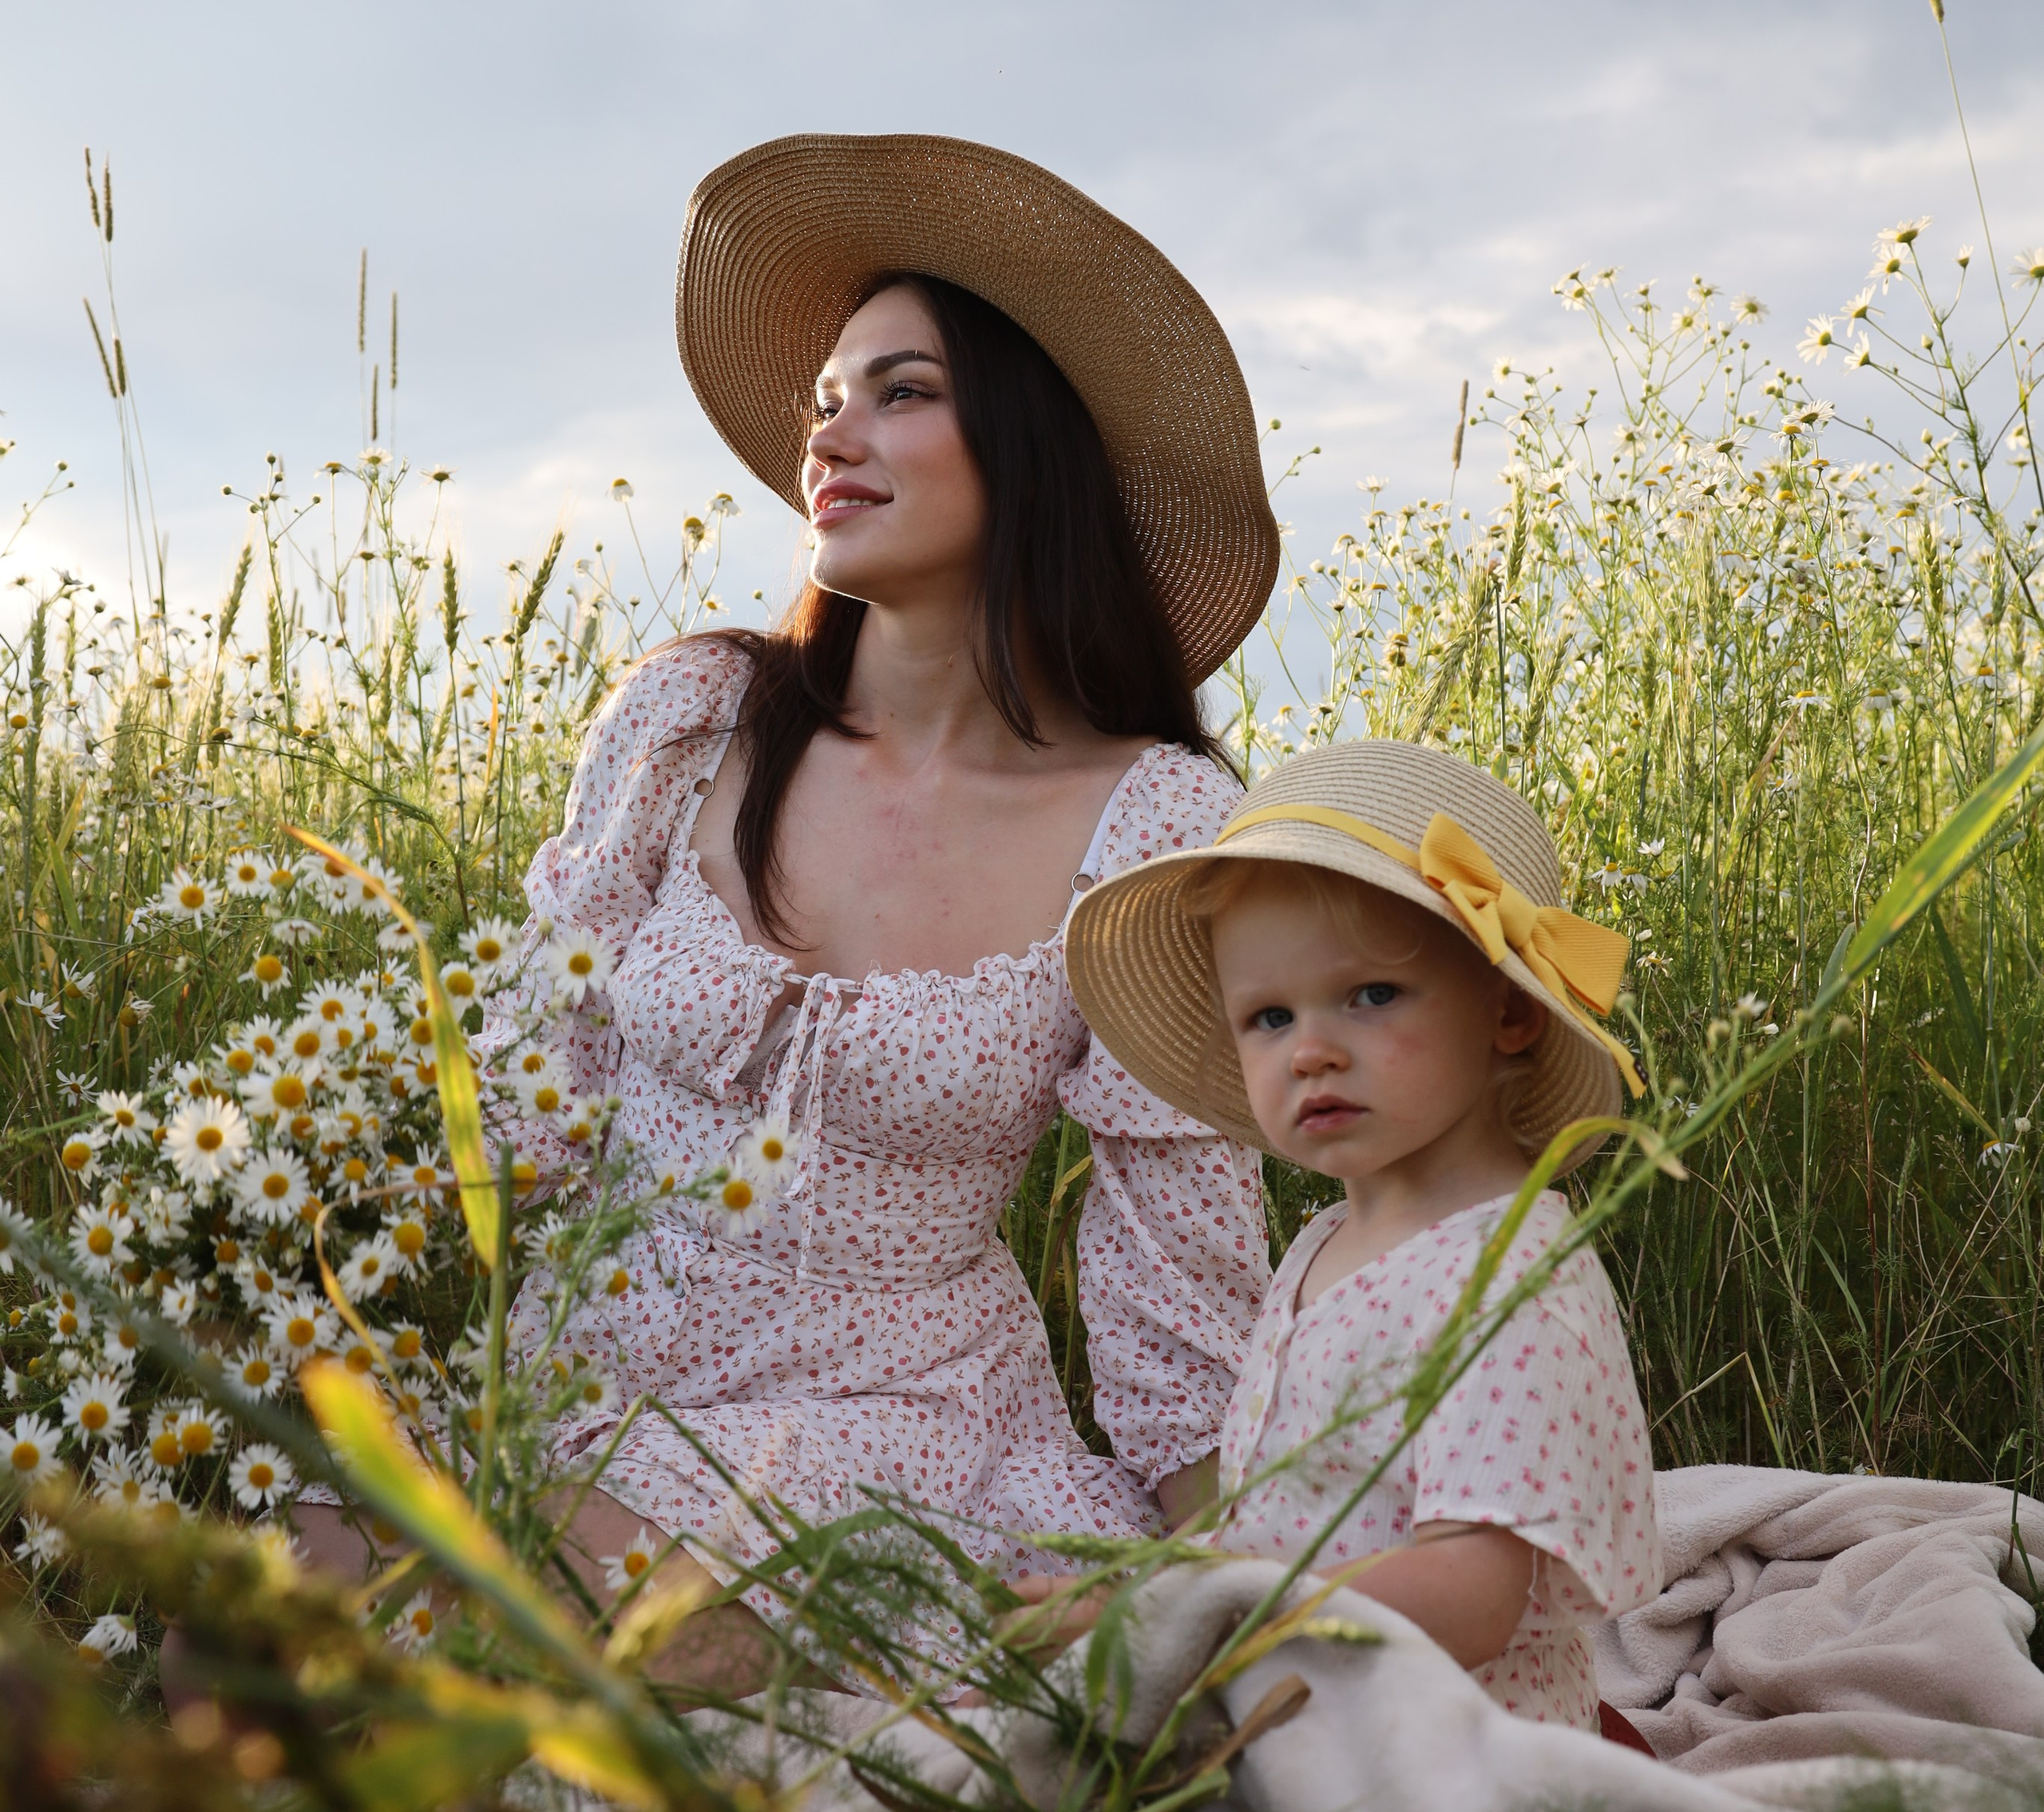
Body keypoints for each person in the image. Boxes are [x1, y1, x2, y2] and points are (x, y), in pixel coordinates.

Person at [297, 135, 1284, 1690]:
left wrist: (1208, 1579)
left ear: (1033, 446)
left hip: (883, 1433)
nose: (831, 432)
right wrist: (327, 1244)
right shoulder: (696, 718)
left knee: (529, 1620)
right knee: (286, 1573)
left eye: (901, 390)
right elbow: (527, 1088)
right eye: (825, 396)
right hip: (578, 1366)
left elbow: (1172, 1257)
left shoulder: (1146, 822)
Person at [1055, 738, 1662, 1729]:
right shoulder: (1327, 1241)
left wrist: (1201, 1614)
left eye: (1370, 995)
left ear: (1509, 1012)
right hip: (1315, 1715)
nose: (1312, 1052)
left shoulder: (1508, 1279)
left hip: (1451, 1758)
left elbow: (1471, 1596)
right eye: (1268, 1016)